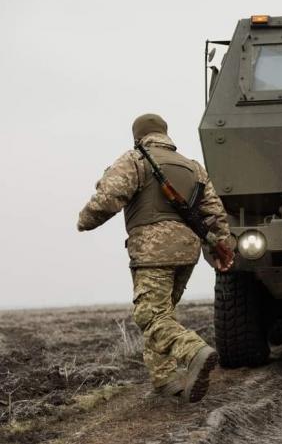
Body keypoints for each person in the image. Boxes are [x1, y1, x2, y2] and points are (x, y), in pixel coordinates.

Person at [77, 113, 234, 403]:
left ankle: (194, 351)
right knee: (163, 312)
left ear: (138, 136)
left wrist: (84, 221)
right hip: (187, 252)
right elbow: (215, 214)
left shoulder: (136, 159)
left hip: (153, 251)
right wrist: (221, 247)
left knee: (150, 315)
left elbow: (108, 198)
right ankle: (165, 381)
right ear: (164, 134)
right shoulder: (193, 167)